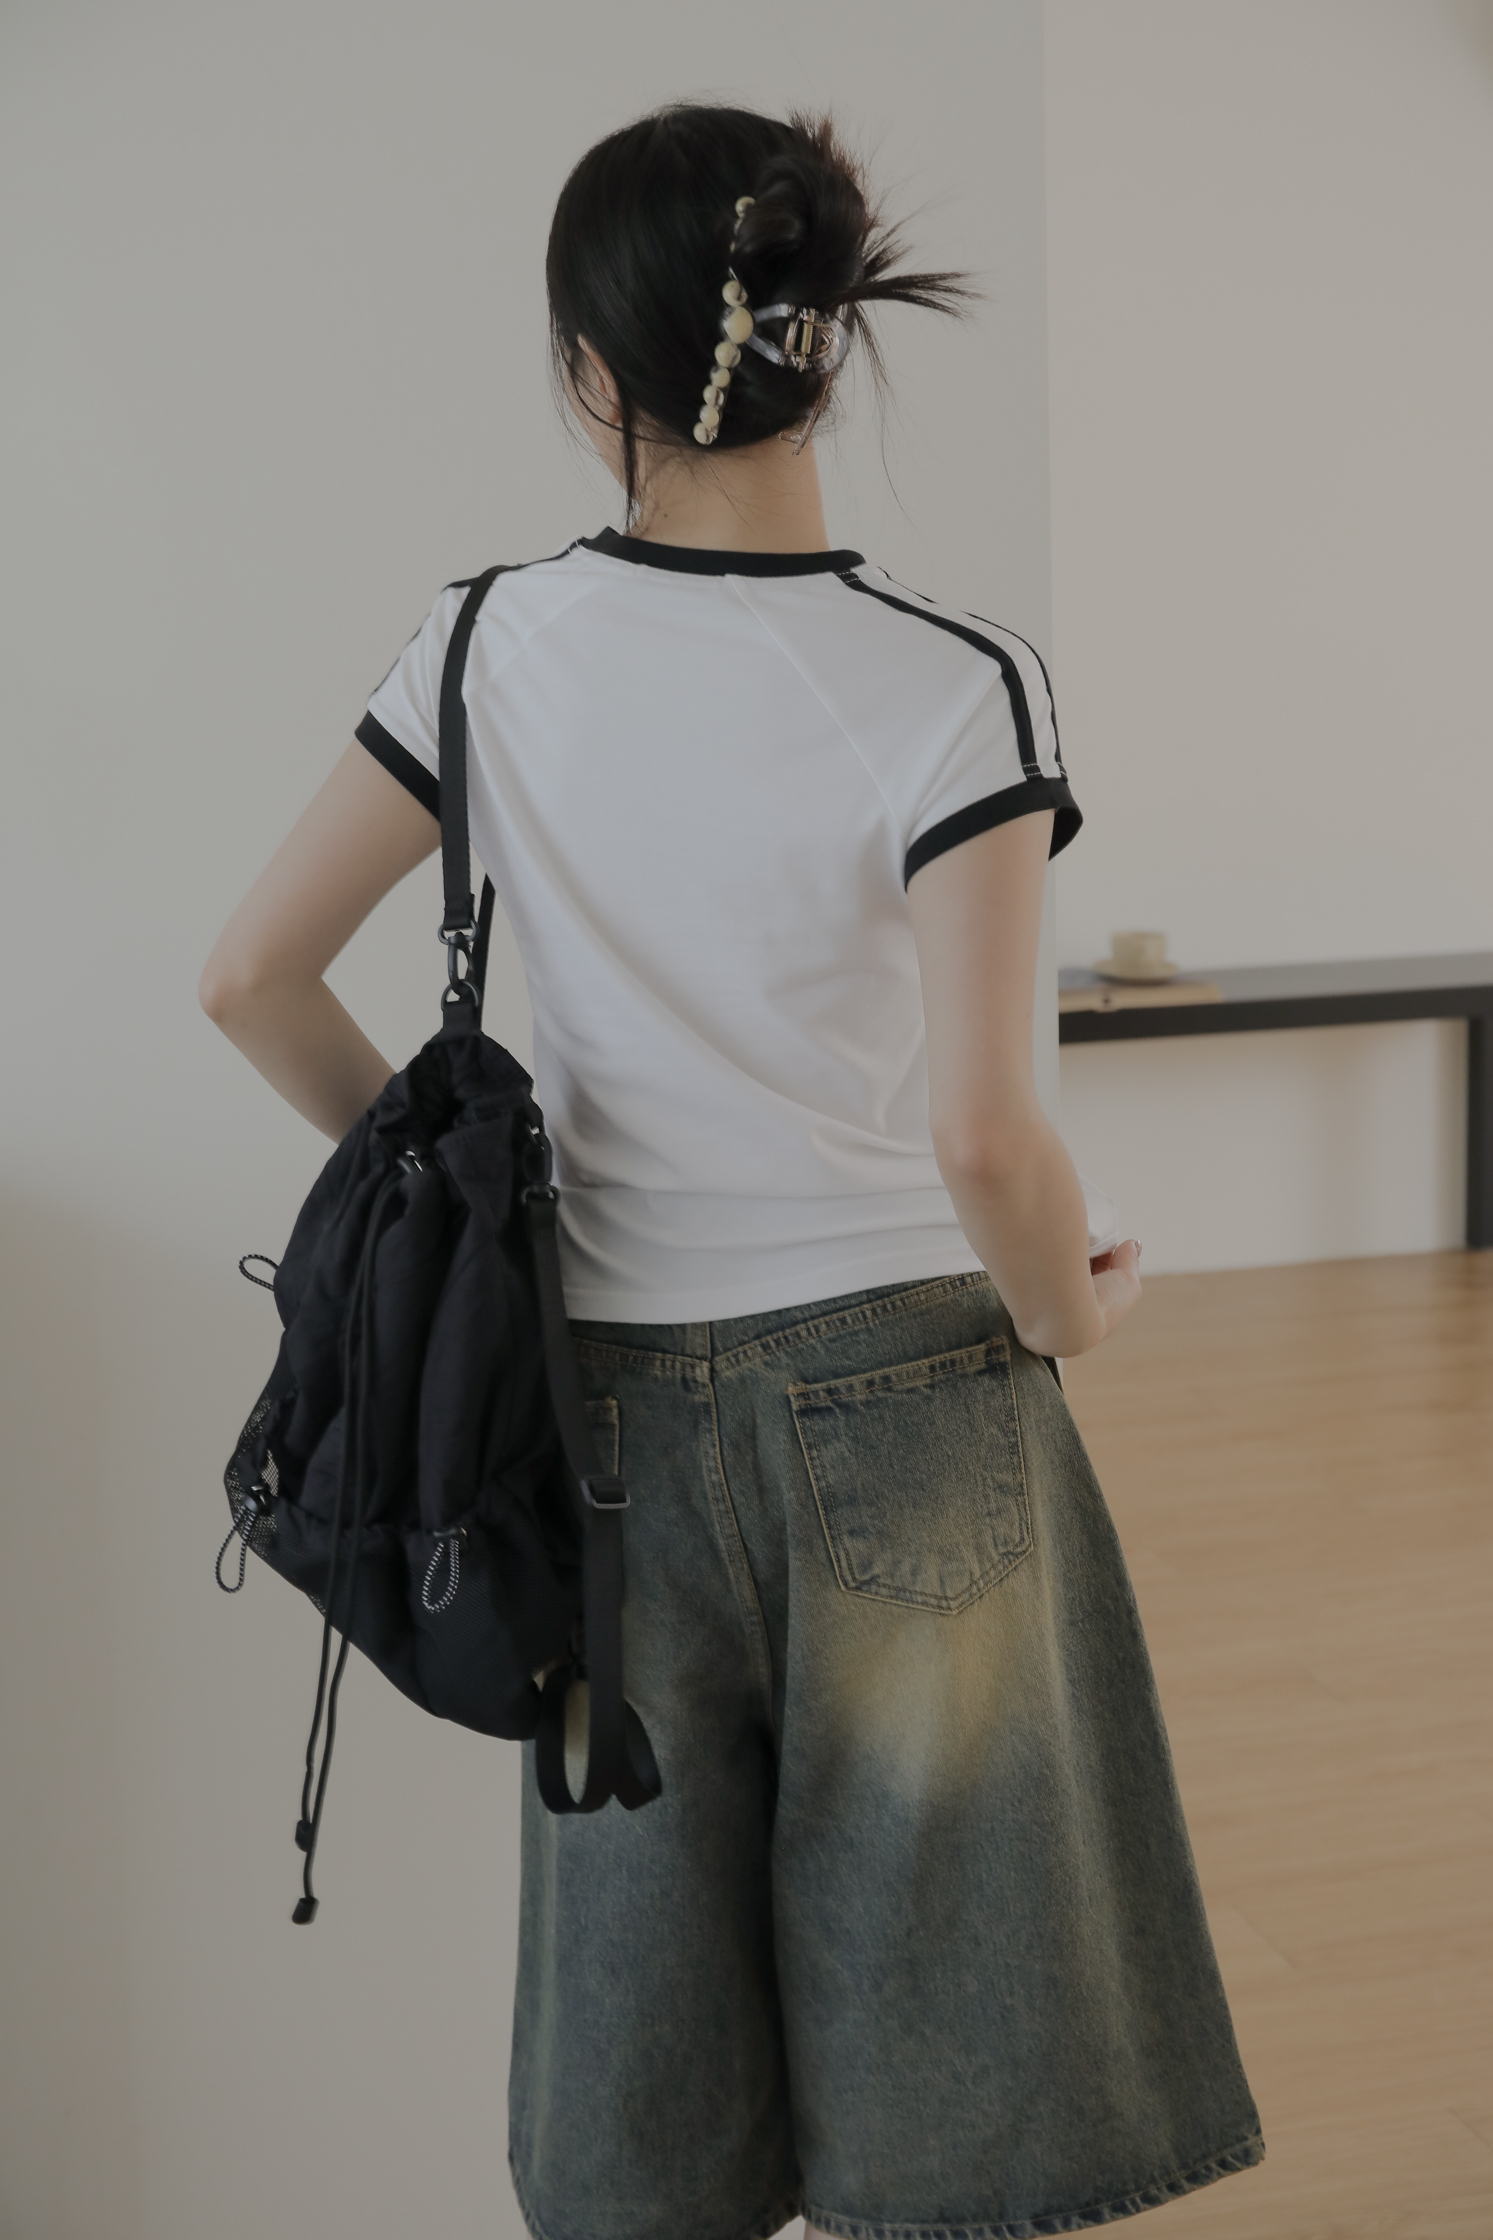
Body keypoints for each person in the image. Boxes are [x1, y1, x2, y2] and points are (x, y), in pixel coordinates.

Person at [201, 101, 1260, 2240]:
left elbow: (249, 977)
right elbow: (985, 1135)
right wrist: (1070, 1311)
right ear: (826, 344)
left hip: (600, 1427)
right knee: (958, 2049)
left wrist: (458, 1216)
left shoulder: (482, 649)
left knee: (642, 2077)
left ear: (591, 374)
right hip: (920, 1406)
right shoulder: (960, 683)